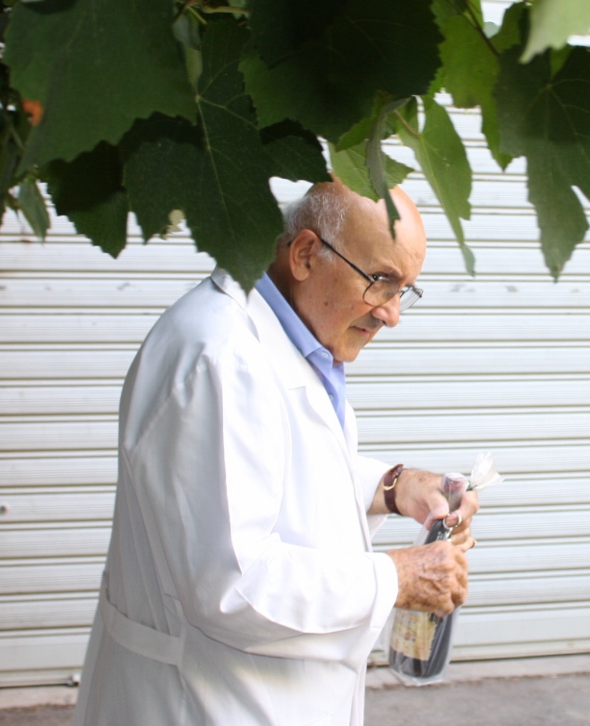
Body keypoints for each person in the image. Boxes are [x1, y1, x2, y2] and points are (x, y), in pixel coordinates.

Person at [72, 180, 479, 726]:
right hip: (202, 703)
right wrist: (398, 578)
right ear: (306, 254)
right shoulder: (219, 354)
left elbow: (263, 473)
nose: (392, 315)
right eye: (382, 281)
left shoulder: (294, 340)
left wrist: (390, 487)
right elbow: (234, 584)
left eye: (405, 289)